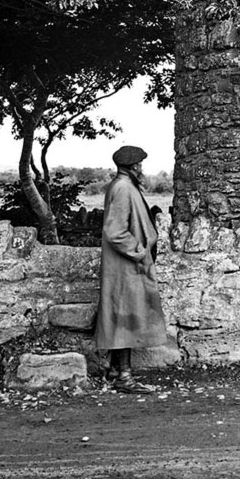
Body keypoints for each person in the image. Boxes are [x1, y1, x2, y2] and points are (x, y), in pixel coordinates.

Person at [94, 145, 167, 391]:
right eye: (140, 165)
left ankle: (115, 371)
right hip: (125, 265)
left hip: (126, 265)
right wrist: (139, 251)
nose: (142, 169)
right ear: (134, 166)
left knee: (121, 316)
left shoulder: (123, 185)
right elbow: (114, 231)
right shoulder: (124, 188)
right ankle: (124, 378)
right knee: (125, 317)